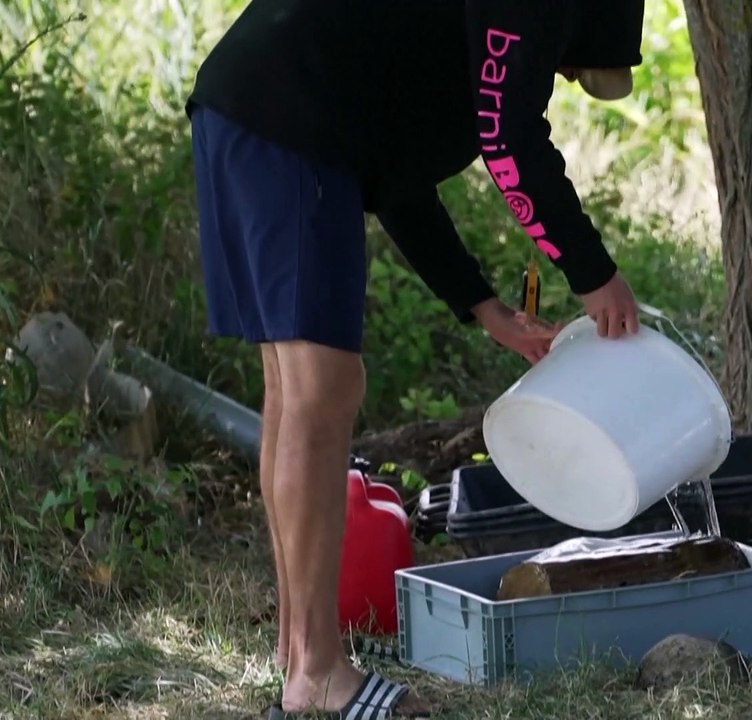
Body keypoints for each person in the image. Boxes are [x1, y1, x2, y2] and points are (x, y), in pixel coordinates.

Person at [184, 0, 646, 716]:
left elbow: (395, 172)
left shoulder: (438, 37)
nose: (562, 74)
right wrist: (593, 275)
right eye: (573, 69)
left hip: (252, 107)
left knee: (295, 390)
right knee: (323, 389)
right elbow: (511, 140)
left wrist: (483, 305)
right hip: (290, 114)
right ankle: (317, 678)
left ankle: (297, 651)